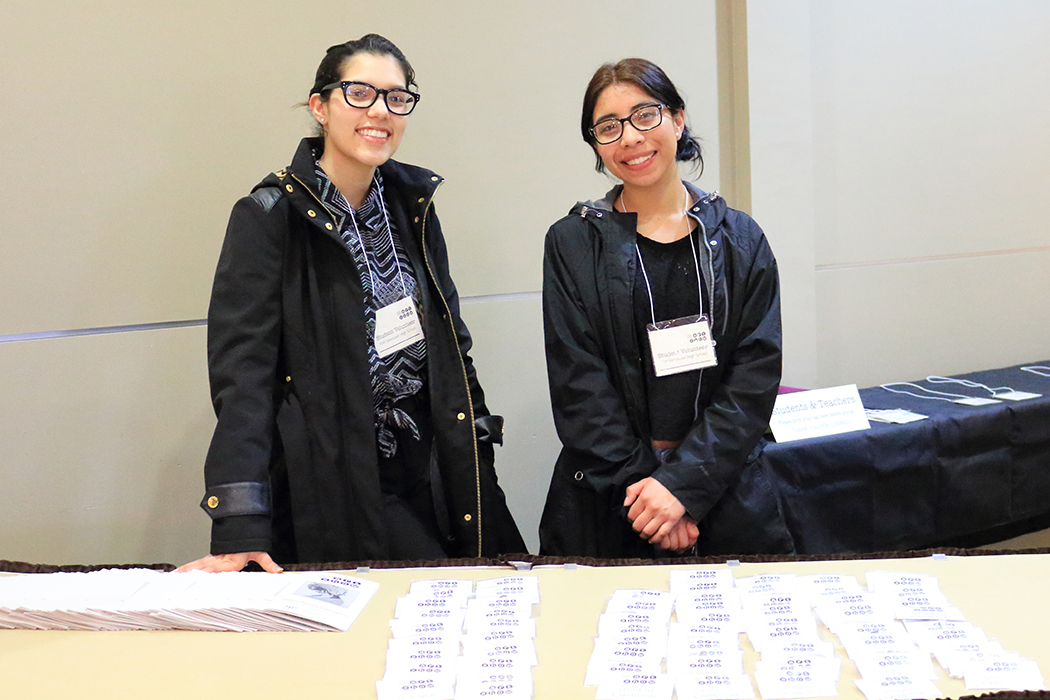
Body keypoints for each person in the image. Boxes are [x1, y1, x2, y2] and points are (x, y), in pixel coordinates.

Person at [179, 34, 525, 573]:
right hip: (338, 474)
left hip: (432, 468)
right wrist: (239, 521)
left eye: (396, 97)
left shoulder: (413, 206)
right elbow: (241, 378)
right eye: (359, 93)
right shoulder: (270, 216)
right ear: (320, 106)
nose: (380, 112)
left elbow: (451, 343)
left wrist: (476, 451)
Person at [539, 58, 795, 558]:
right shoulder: (572, 243)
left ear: (677, 119)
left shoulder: (740, 238)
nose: (630, 138)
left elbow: (754, 377)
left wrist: (684, 487)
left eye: (645, 115)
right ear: (595, 144)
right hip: (613, 493)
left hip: (724, 488)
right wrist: (650, 496)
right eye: (608, 127)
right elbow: (578, 384)